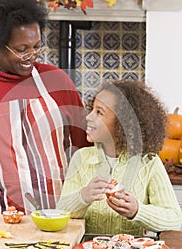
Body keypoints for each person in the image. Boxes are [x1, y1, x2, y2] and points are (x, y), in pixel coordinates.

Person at [0, 0, 89, 223]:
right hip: (1, 223)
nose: (31, 56)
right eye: (22, 49)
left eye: (36, 46)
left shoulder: (57, 81)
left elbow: (84, 148)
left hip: (64, 219)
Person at [57, 80, 182, 236]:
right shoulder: (81, 158)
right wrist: (82, 196)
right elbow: (60, 211)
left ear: (123, 123)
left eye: (99, 112)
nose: (88, 117)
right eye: (92, 109)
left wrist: (138, 211)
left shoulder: (149, 162)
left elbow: (175, 219)